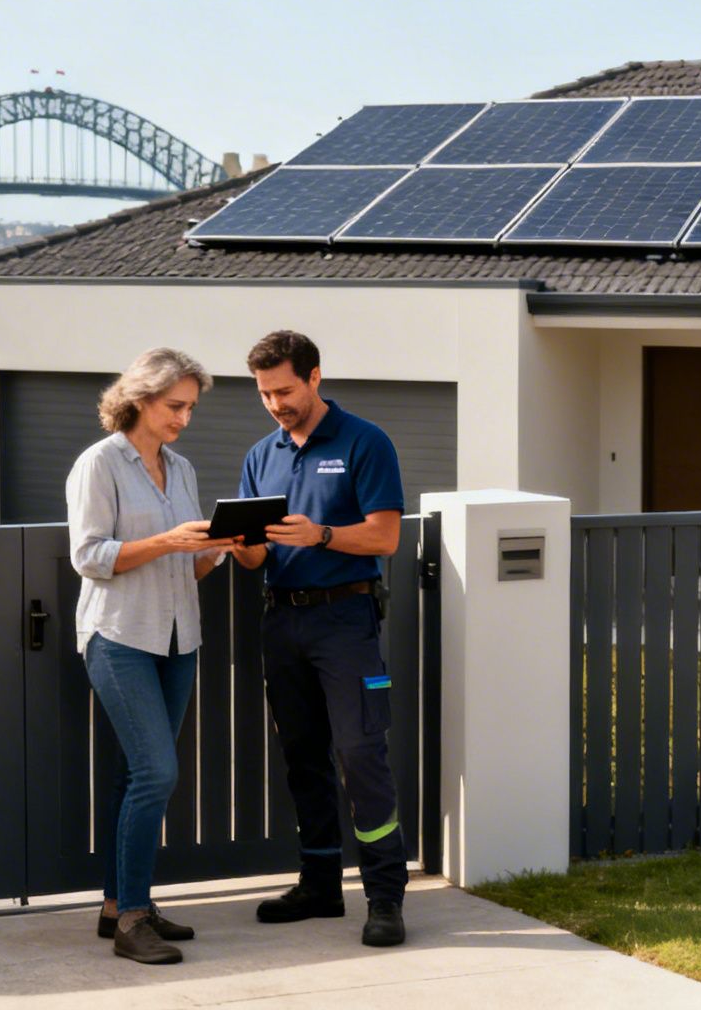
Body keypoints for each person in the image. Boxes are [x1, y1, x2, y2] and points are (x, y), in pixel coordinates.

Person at [233, 330, 409, 948]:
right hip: (281, 620)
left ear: (313, 377)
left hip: (345, 621)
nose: (276, 403)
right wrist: (242, 545)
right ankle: (320, 885)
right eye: (264, 394)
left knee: (361, 753)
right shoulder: (262, 455)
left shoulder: (366, 441)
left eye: (283, 390)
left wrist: (322, 536)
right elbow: (256, 560)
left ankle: (385, 896)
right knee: (302, 755)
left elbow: (385, 537)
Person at [66, 347, 238, 965]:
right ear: (139, 398)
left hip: (178, 639)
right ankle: (133, 920)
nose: (184, 418)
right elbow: (88, 556)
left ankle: (119, 904)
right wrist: (167, 539)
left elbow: (184, 569)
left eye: (190, 407)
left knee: (135, 774)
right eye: (175, 406)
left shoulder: (183, 469)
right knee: (156, 774)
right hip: (119, 639)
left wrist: (216, 547)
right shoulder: (99, 464)